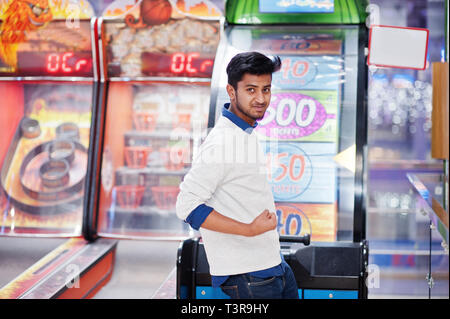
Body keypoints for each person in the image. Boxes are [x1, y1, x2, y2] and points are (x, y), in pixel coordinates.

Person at [176, 51, 298, 299]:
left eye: (266, 89)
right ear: (232, 91)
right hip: (248, 276)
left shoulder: (245, 132)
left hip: (271, 264)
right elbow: (186, 206)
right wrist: (248, 229)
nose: (261, 98)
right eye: (251, 90)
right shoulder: (222, 142)